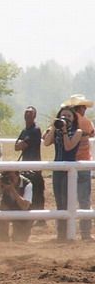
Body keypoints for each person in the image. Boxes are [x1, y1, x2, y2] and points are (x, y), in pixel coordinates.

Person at [43, 106, 83, 241]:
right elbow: (46, 143)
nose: (65, 118)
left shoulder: (77, 131)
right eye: (63, 116)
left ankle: (68, 233)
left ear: (73, 118)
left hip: (69, 169)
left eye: (68, 116)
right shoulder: (57, 131)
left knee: (67, 201)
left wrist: (65, 130)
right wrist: (54, 127)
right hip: (57, 169)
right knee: (59, 201)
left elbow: (68, 147)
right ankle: (60, 233)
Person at [61, 94, 94, 240]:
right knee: (84, 200)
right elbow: (92, 132)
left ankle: (66, 231)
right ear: (80, 108)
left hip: (68, 163)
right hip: (83, 163)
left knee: (66, 199)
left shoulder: (64, 122)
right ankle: (86, 234)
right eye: (84, 107)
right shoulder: (85, 122)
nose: (85, 109)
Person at [15, 106, 45, 219]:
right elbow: (16, 146)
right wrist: (21, 144)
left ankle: (40, 218)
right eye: (26, 113)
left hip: (35, 164)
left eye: (30, 113)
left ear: (34, 116)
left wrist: (21, 144)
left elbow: (22, 145)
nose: (27, 115)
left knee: (37, 190)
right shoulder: (25, 131)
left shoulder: (35, 130)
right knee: (27, 188)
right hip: (25, 164)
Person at [0, 171, 33, 242]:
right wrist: (1, 189)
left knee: (20, 239)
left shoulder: (27, 184)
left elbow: (25, 207)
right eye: (5, 175)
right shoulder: (2, 181)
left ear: (17, 175)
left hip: (21, 211)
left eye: (10, 177)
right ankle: (1, 235)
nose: (8, 179)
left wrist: (12, 189)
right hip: (6, 208)